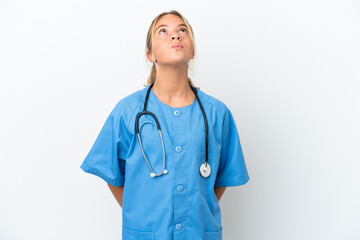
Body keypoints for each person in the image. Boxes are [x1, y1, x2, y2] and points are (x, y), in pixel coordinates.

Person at [80, 10, 250, 240]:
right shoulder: (128, 111)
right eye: (163, 31)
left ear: (192, 51)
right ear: (150, 55)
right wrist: (140, 212)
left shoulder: (217, 113)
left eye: (182, 30)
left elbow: (220, 180)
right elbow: (111, 174)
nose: (175, 36)